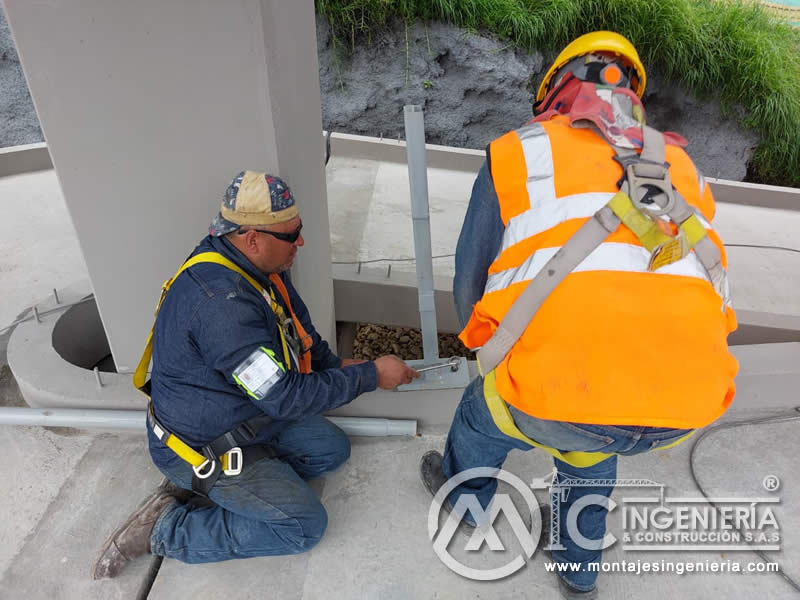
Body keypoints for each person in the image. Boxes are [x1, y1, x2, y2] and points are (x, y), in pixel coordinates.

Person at [420, 31, 738, 599]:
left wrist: (490, 354)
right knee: (592, 442)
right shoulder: (682, 166)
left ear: (554, 91)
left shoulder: (519, 151)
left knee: (484, 414)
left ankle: (467, 507)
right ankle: (579, 571)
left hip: (572, 394)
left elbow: (470, 281)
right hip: (691, 403)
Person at [94, 171, 418, 579]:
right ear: (252, 238)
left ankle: (223, 491)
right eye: (292, 234)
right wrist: (370, 376)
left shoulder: (254, 269)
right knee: (303, 526)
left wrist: (340, 368)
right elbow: (285, 398)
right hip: (201, 445)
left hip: (241, 414)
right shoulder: (222, 307)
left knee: (330, 449)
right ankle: (165, 529)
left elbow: (300, 338)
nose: (300, 241)